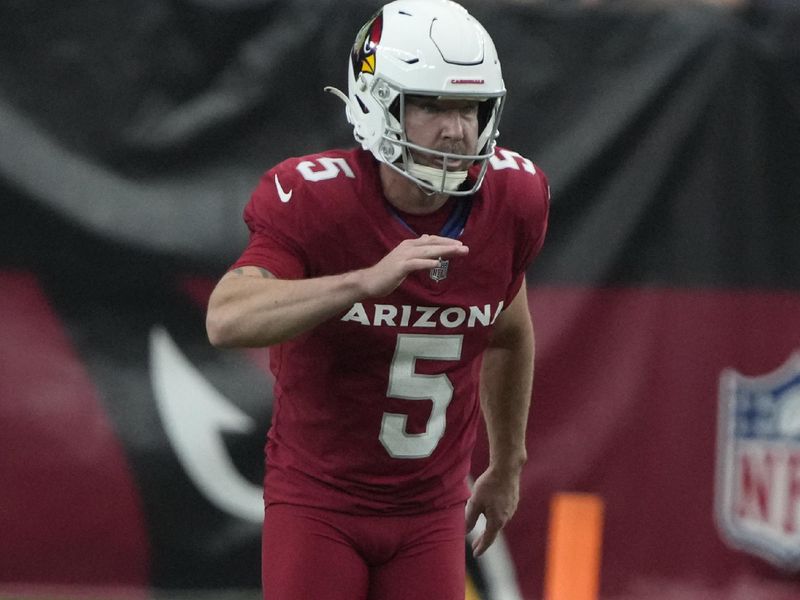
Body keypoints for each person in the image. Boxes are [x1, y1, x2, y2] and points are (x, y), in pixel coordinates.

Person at [205, 1, 550, 598]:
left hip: (431, 511)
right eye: (432, 105)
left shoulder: (513, 198)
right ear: (377, 100)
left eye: (469, 107)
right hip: (320, 503)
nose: (456, 129)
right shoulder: (318, 200)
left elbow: (510, 333)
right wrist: (359, 283)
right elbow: (226, 317)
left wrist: (508, 464)